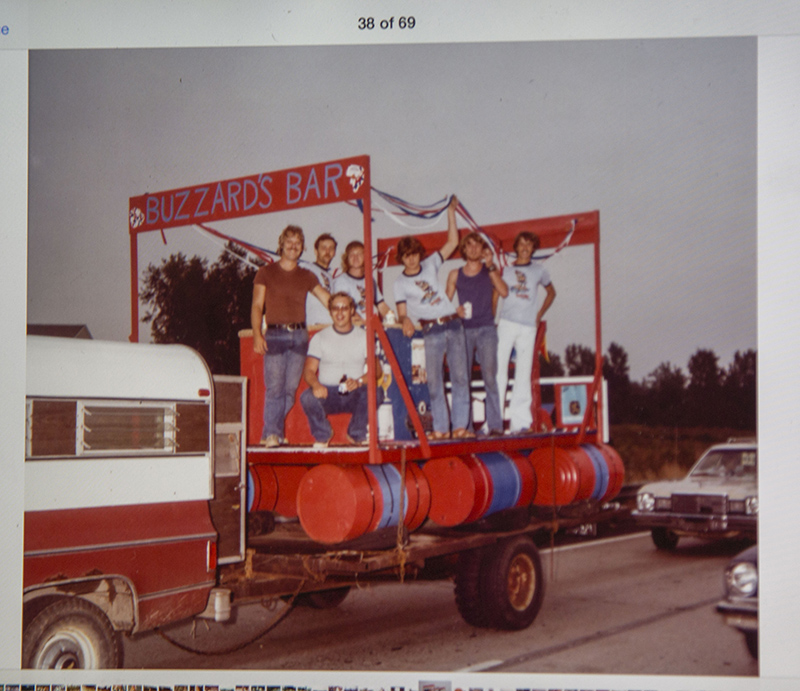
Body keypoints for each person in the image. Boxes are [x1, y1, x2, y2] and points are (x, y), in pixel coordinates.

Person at [393, 195, 471, 440]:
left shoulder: (430, 264)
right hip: (431, 331)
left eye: (414, 253)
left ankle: (460, 427)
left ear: (419, 253)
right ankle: (440, 428)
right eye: (406, 256)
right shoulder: (399, 283)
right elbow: (402, 313)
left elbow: (452, 241)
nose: (412, 258)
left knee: (460, 378)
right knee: (434, 382)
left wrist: (450, 212)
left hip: (453, 324)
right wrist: (404, 320)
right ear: (402, 259)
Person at [250, 225, 331, 448]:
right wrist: (257, 334)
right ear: (281, 244)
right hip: (274, 335)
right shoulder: (265, 273)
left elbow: (327, 299)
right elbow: (257, 306)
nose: (293, 246)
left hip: (300, 337)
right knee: (275, 389)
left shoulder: (307, 275)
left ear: (302, 248)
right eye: (289, 242)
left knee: (289, 392)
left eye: (298, 243)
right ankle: (274, 434)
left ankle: (269, 432)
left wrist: (346, 312)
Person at [445, 232, 509, 435]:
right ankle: (464, 427)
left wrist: (491, 266)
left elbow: (504, 291)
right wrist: (455, 312)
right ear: (463, 249)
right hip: (463, 330)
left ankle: (496, 426)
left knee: (490, 377)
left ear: (482, 249)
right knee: (462, 378)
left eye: (477, 246)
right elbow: (444, 306)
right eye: (469, 245)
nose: (473, 249)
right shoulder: (455, 274)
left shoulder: (489, 271)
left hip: (487, 329)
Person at [300, 292, 383, 447]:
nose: (339, 313)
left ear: (352, 311)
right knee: (307, 397)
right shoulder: (320, 337)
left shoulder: (365, 336)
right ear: (330, 312)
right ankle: (323, 435)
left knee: (376, 392)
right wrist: (316, 385)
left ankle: (356, 433)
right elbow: (309, 371)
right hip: (328, 393)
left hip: (354, 392)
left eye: (344, 308)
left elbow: (376, 370)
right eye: (335, 308)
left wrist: (359, 382)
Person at [495, 230, 556, 433]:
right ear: (516, 247)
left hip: (528, 327)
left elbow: (551, 292)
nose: (525, 248)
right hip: (506, 324)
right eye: (521, 244)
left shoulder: (539, 270)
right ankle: (494, 420)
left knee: (523, 373)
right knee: (499, 370)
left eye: (529, 245)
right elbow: (496, 294)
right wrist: (492, 318)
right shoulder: (506, 270)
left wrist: (540, 313)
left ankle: (519, 422)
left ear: (533, 248)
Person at [332, 240, 393, 323]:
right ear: (346, 258)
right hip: (354, 328)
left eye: (359, 254)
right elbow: (343, 310)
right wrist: (363, 323)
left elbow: (381, 305)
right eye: (351, 255)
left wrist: (392, 319)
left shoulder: (370, 280)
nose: (355, 257)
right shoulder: (341, 281)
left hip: (370, 326)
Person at [305, 233, 338, 327]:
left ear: (334, 253)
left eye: (331, 248)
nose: (327, 251)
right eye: (323, 248)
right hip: (314, 325)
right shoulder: (307, 268)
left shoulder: (331, 277)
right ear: (316, 251)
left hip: (330, 326)